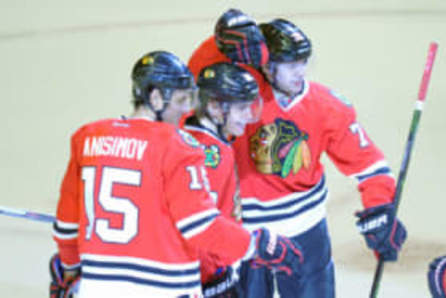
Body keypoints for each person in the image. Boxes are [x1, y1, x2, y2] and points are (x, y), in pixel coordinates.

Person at [50, 50, 303, 298]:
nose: (186, 111)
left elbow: (67, 226)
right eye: (181, 101)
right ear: (156, 98)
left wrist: (71, 270)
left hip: (97, 288)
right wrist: (258, 243)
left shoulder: (89, 137)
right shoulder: (177, 145)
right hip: (165, 288)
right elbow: (200, 227)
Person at [229, 19, 408, 297]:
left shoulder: (327, 106)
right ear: (266, 64)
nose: (300, 71)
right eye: (290, 64)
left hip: (306, 232)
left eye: (303, 62)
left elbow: (370, 165)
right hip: (247, 236)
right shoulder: (238, 103)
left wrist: (380, 208)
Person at [179, 62, 263, 297]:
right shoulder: (211, 154)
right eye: (242, 108)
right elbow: (201, 224)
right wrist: (214, 275)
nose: (248, 116)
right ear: (215, 107)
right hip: (207, 277)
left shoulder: (190, 137)